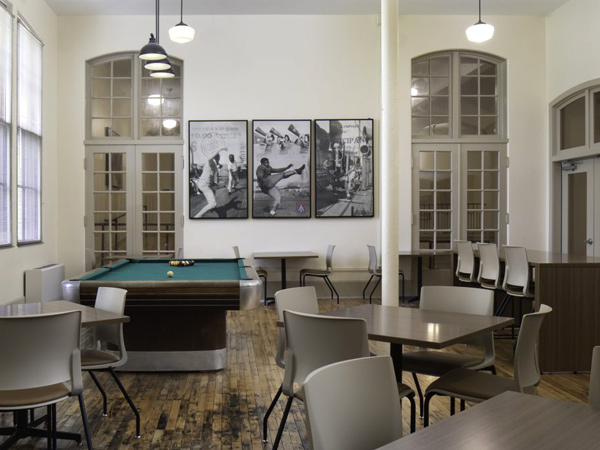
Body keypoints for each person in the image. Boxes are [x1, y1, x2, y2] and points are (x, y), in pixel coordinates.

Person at [194, 147, 227, 218]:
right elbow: (209, 157)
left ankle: (211, 209)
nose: (219, 158)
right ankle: (197, 216)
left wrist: (218, 167)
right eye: (218, 157)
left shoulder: (214, 165)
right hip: (203, 185)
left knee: (213, 192)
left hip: (207, 184)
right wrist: (220, 149)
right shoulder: (210, 161)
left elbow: (213, 172)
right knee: (213, 204)